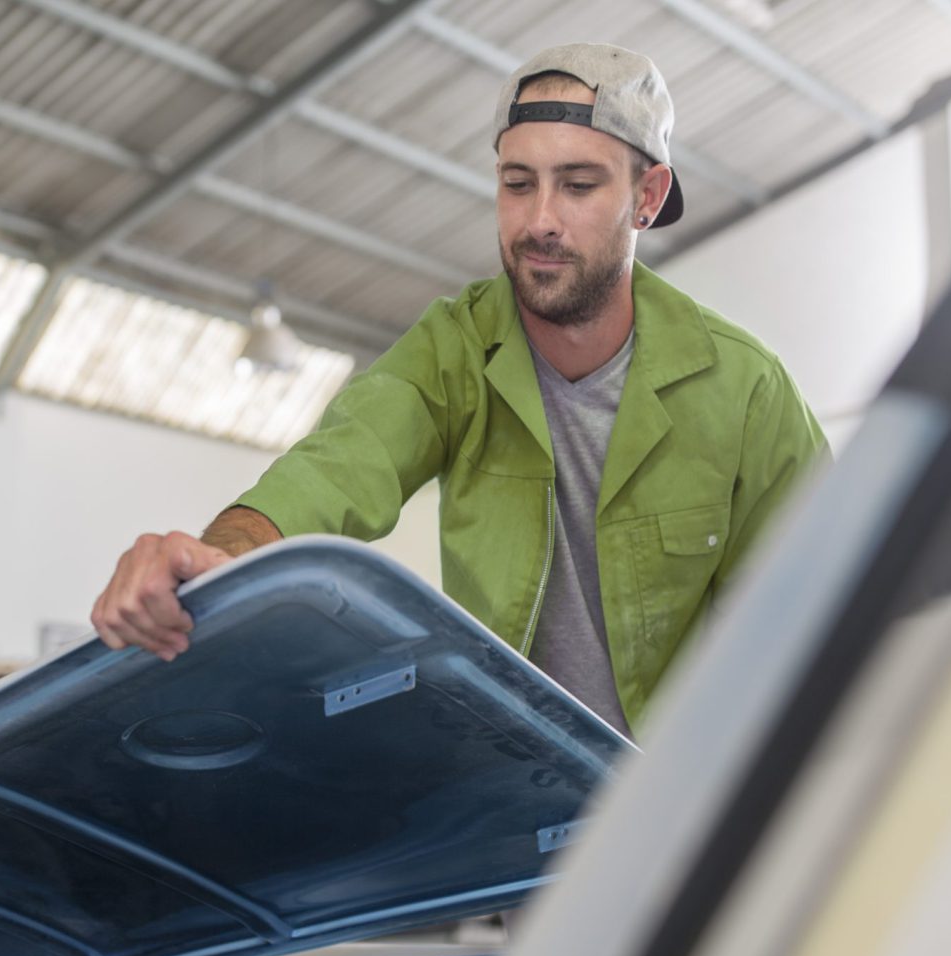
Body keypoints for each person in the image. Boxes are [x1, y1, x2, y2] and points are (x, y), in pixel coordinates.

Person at [92, 43, 828, 737]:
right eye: (517, 184)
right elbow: (334, 470)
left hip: (683, 802)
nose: (540, 220)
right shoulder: (454, 350)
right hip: (513, 781)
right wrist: (219, 553)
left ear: (647, 195)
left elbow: (823, 607)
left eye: (578, 185)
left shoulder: (745, 391)